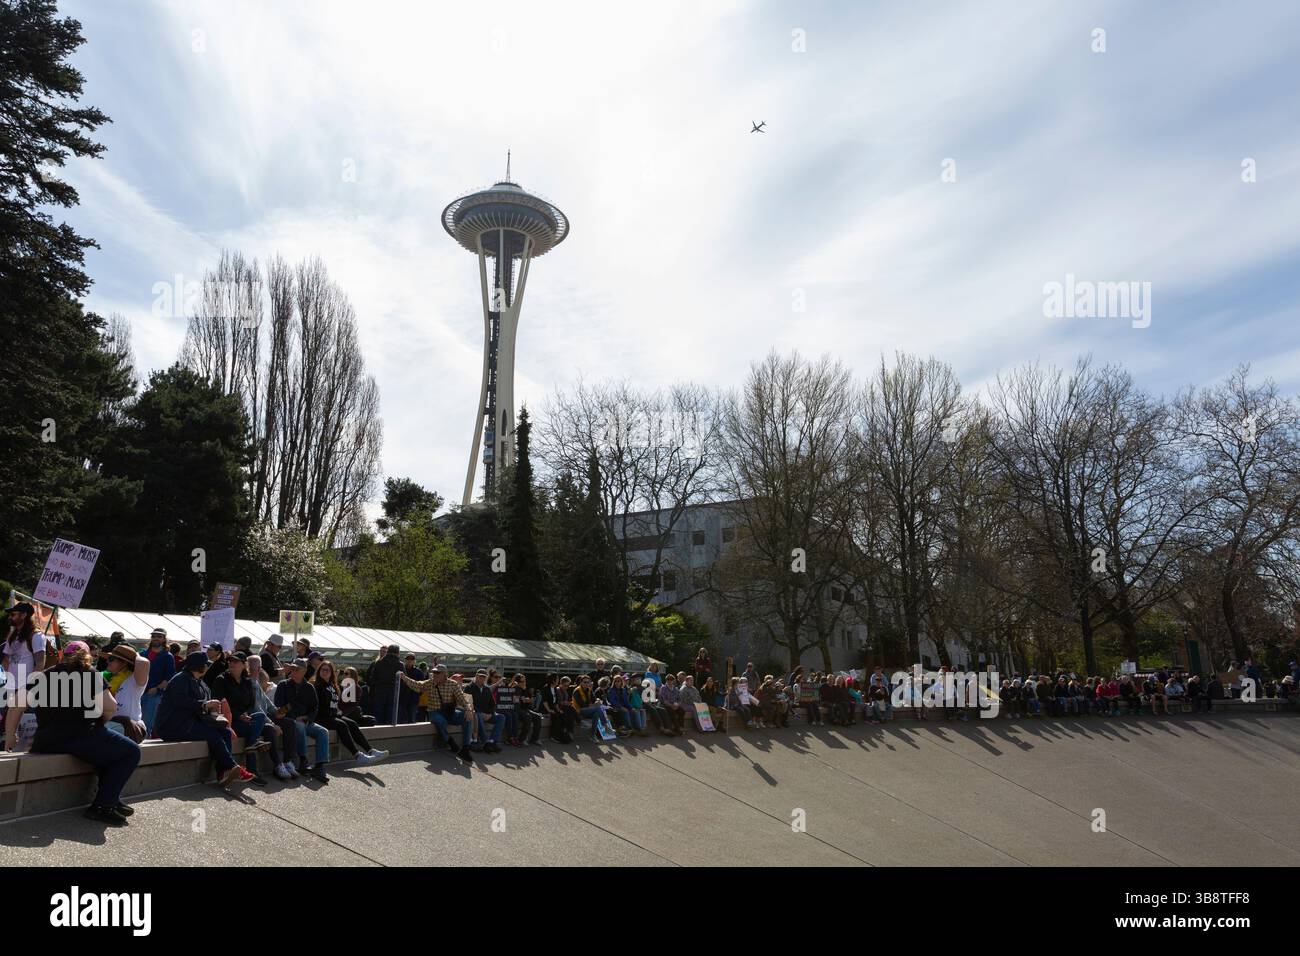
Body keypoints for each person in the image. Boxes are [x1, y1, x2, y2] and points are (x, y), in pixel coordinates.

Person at [31, 641, 142, 826]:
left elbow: (17, 705)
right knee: (131, 751)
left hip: (47, 740)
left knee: (109, 752)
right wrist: (100, 724)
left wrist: (10, 736)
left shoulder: (45, 674)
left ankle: (110, 797)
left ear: (62, 655)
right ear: (88, 656)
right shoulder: (90, 674)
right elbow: (110, 707)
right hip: (79, 735)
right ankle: (103, 806)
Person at [155, 652, 254, 786]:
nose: (207, 667)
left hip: (188, 724)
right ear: (197, 666)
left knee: (224, 731)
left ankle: (223, 772)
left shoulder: (199, 682)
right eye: (205, 665)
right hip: (172, 726)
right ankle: (231, 767)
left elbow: (200, 706)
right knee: (212, 734)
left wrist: (212, 708)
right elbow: (180, 701)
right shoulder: (181, 679)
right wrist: (204, 704)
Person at [210, 652, 272, 783]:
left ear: (244, 665)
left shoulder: (247, 682)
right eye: (230, 661)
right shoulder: (221, 680)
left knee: (260, 716)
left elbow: (250, 704)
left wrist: (245, 715)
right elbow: (221, 704)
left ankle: (251, 746)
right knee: (254, 735)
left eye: (236, 661)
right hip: (227, 721)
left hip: (244, 720)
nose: (231, 663)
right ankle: (253, 767)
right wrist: (239, 716)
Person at [312, 660, 388, 765]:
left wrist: (338, 712)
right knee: (342, 725)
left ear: (332, 673)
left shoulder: (333, 686)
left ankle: (371, 751)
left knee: (352, 723)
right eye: (322, 669)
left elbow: (340, 704)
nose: (324, 672)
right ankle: (358, 755)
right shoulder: (317, 686)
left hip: (333, 715)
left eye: (327, 670)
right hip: (321, 717)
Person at [399, 664, 474, 762]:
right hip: (434, 712)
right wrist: (404, 677)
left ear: (444, 674)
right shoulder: (430, 683)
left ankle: (465, 748)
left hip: (449, 712)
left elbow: (462, 698)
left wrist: (468, 710)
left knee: (467, 717)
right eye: (434, 672)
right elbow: (417, 685)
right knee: (439, 720)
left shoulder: (453, 684)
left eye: (437, 673)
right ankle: (449, 741)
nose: (434, 674)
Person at [275, 658, 332, 782]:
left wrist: (307, 717)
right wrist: (290, 708)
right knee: (299, 725)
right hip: (290, 721)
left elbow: (315, 707)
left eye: (297, 669)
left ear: (304, 671)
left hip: (306, 721)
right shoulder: (283, 685)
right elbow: (278, 706)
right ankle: (303, 759)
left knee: (323, 731)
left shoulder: (309, 688)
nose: (293, 671)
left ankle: (320, 766)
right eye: (292, 668)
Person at [2, 602, 47, 751]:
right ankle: (10, 750)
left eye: (13, 614)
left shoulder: (36, 635)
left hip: (27, 687)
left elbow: (40, 662)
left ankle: (22, 761)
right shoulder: (13, 635)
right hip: (12, 686)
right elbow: (6, 659)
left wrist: (31, 685)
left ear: (24, 615)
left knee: (25, 727)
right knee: (10, 725)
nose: (10, 617)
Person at [246, 654, 295, 780]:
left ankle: (287, 760)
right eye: (253, 667)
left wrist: (277, 711)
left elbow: (267, 703)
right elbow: (257, 709)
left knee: (289, 723)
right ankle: (278, 764)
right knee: (270, 729)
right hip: (254, 720)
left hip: (264, 717)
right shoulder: (249, 684)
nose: (254, 670)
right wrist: (274, 724)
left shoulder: (256, 682)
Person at [102, 643, 149, 743]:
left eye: (111, 659)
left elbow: (143, 663)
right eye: (109, 658)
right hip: (114, 724)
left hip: (132, 727)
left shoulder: (134, 680)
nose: (107, 661)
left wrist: (134, 655)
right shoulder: (108, 679)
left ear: (124, 663)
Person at [140, 627, 175, 734]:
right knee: (136, 723)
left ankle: (144, 750)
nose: (156, 638)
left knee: (146, 725)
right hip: (139, 693)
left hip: (154, 695)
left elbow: (169, 678)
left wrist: (157, 688)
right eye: (154, 636)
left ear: (164, 639)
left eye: (159, 636)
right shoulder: (142, 654)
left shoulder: (168, 657)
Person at [367, 645, 403, 725]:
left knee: (378, 713)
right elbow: (403, 681)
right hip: (394, 693)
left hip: (379, 692)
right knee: (391, 714)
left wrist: (372, 693)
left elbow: (372, 679)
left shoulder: (379, 662)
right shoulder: (400, 664)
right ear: (398, 653)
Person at [570, 675, 609, 740]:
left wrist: (597, 700)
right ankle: (605, 725)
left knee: (596, 713)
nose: (586, 684)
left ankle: (592, 735)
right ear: (581, 683)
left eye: (588, 682)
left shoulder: (589, 689)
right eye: (584, 682)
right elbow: (583, 705)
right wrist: (594, 704)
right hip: (578, 711)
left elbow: (594, 699)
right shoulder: (577, 691)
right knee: (597, 708)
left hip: (587, 710)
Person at [541, 673, 573, 742]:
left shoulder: (555, 688)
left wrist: (558, 709)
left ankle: (562, 733)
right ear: (553, 680)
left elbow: (555, 702)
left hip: (553, 707)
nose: (558, 680)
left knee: (562, 714)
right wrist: (549, 710)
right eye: (557, 679)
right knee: (556, 716)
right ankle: (553, 736)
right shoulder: (546, 688)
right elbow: (544, 701)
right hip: (545, 708)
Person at [398, 654, 425, 724]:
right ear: (405, 660)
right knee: (400, 720)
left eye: (411, 659)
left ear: (414, 661)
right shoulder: (400, 671)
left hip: (413, 700)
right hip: (401, 699)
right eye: (408, 659)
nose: (409, 661)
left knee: (412, 720)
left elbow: (422, 686)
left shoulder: (419, 672)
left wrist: (417, 694)